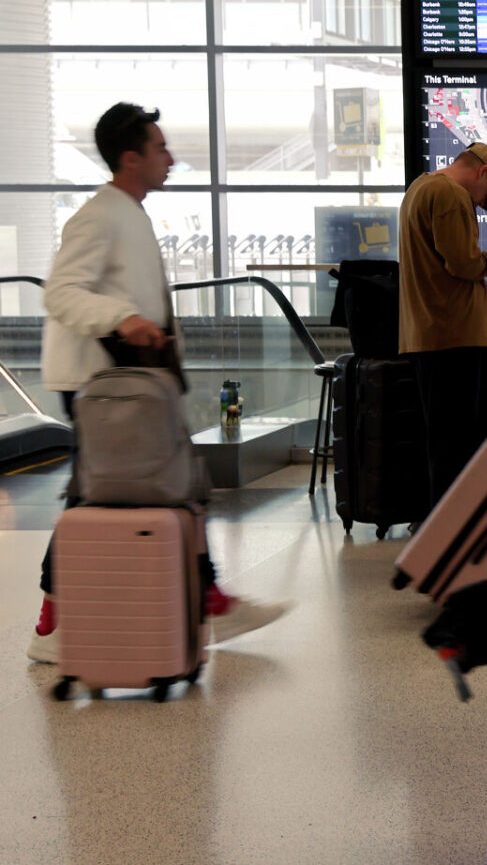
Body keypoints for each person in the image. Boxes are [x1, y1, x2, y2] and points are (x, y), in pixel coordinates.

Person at [28, 103, 290, 664]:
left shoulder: (129, 211)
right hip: (102, 386)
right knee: (122, 495)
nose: (171, 159)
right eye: (160, 148)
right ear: (131, 157)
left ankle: (199, 600)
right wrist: (122, 319)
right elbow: (61, 292)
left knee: (141, 491)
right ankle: (62, 622)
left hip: (132, 384)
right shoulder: (100, 214)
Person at [397, 141, 487, 508]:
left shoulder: (419, 187)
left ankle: (440, 528)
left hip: (428, 334)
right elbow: (461, 263)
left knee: (442, 441)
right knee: (460, 443)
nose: (481, 202)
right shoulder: (451, 194)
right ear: (481, 172)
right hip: (454, 336)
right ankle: (452, 531)